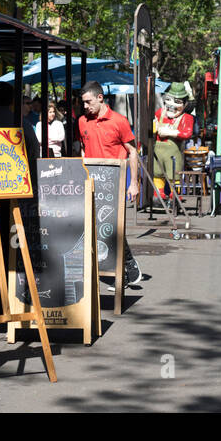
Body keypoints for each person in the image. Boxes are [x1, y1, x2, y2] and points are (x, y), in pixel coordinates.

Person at [78, 81, 145, 288]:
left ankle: (125, 268)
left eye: (88, 102)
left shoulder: (119, 121)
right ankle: (123, 269)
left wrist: (133, 183)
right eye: (83, 103)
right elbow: (82, 148)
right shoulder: (82, 121)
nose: (85, 107)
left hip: (114, 182)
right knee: (92, 227)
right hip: (90, 182)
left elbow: (133, 151)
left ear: (100, 98)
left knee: (112, 227)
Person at [153, 82, 195, 200]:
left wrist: (170, 132)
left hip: (173, 153)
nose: (172, 105)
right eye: (169, 100)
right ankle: (158, 193)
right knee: (157, 172)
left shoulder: (186, 118)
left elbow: (187, 133)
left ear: (185, 104)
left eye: (177, 102)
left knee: (174, 174)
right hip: (158, 150)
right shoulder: (160, 113)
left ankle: (174, 194)